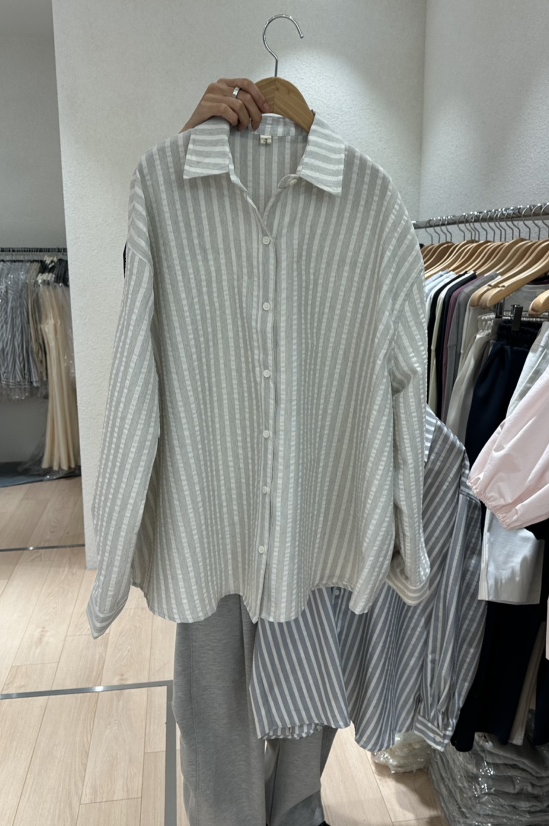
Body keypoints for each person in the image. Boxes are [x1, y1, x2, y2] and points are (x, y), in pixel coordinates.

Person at [172, 79, 334, 826]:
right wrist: (187, 147)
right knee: (213, 680)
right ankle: (225, 814)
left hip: (311, 479)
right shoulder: (188, 193)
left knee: (307, 664)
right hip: (212, 480)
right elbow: (149, 288)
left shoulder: (346, 202)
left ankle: (298, 808)